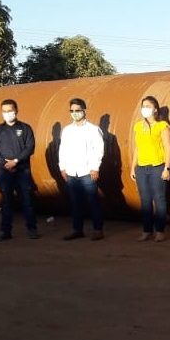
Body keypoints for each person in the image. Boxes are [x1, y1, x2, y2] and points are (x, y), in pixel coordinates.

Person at [0, 99, 38, 240]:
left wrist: (15, 161)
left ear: (16, 110)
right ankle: (5, 231)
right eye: (4, 111)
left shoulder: (25, 128)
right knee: (6, 201)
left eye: (10, 110)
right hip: (5, 172)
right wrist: (4, 163)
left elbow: (30, 147)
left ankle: (32, 229)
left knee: (27, 200)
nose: (7, 113)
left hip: (22, 170)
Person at [58, 97, 105, 241]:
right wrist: (63, 168)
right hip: (72, 172)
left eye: (77, 110)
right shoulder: (67, 130)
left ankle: (98, 230)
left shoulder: (93, 129)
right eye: (72, 111)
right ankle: (77, 230)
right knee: (75, 203)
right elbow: (62, 149)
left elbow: (99, 150)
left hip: (87, 172)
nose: (75, 113)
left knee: (93, 201)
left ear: (84, 110)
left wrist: (95, 168)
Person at [129, 95, 170, 242]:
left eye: (148, 106)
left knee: (159, 199)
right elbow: (137, 148)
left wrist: (167, 168)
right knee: (145, 200)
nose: (145, 109)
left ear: (155, 109)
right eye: (143, 106)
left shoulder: (162, 126)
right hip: (142, 168)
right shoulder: (138, 126)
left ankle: (160, 231)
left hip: (157, 167)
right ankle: (146, 231)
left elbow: (168, 147)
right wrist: (133, 167)